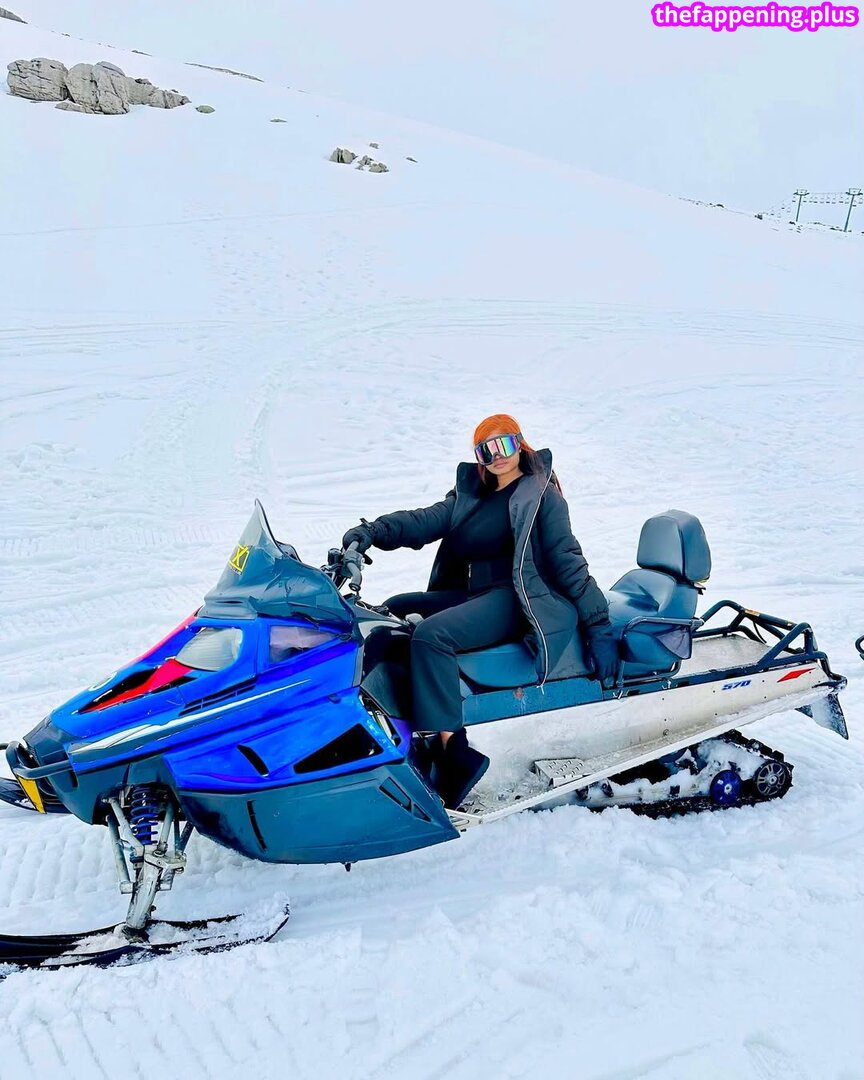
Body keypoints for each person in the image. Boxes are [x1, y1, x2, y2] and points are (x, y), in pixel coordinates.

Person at [342, 414, 619, 810]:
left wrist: (599, 626)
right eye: (485, 450)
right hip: (476, 593)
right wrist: (373, 531)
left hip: (519, 598)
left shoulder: (541, 496)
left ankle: (454, 753)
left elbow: (568, 561)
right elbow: (423, 521)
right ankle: (400, 728)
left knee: (432, 636)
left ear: (520, 444)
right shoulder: (471, 496)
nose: (497, 455)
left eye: (504, 444)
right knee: (397, 609)